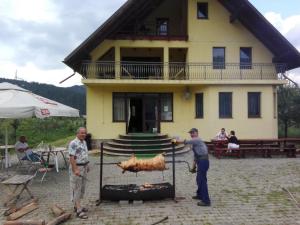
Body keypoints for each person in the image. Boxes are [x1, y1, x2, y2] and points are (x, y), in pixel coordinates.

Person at [174, 128, 211, 206]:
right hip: (201, 162)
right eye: (190, 133)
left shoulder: (197, 140)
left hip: (203, 162)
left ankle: (206, 201)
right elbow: (195, 157)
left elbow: (185, 141)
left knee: (202, 180)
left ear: (197, 133)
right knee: (199, 179)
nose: (191, 134)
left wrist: (175, 141)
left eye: (193, 133)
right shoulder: (195, 144)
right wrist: (193, 167)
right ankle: (200, 195)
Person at [69, 127, 90, 219]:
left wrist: (87, 164)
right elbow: (71, 158)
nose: (83, 134)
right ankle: (78, 210)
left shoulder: (84, 142)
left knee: (81, 188)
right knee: (76, 188)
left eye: (85, 133)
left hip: (84, 166)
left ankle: (77, 206)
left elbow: (84, 154)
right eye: (81, 133)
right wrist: (75, 169)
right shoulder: (73, 143)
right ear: (77, 133)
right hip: (77, 167)